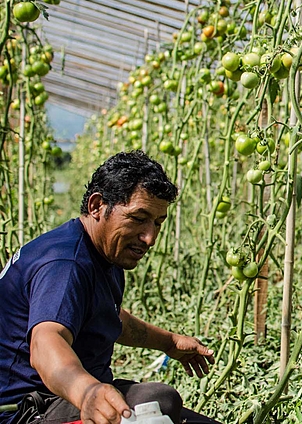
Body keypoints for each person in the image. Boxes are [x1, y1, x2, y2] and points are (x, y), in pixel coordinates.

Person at [0, 151, 220, 424]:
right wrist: (88, 392)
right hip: (26, 412)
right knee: (158, 400)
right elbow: (46, 343)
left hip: (61, 401)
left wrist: (169, 342)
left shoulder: (103, 252)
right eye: (138, 218)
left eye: (157, 223)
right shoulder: (65, 264)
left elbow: (106, 317)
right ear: (97, 206)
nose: (149, 237)